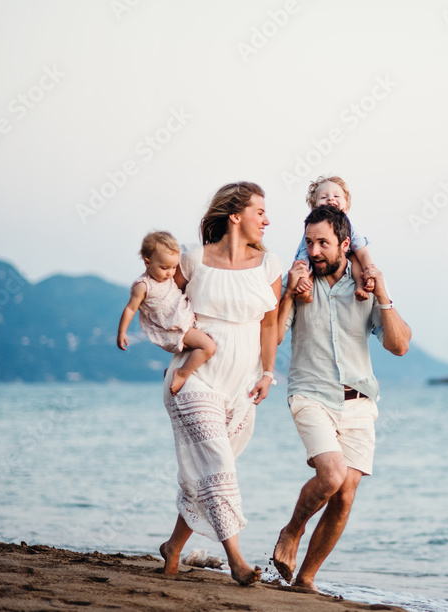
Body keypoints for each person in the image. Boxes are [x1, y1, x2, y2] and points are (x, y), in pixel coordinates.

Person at [271, 205, 411, 591]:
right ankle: (291, 531)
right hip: (310, 395)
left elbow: (399, 346)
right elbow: (276, 337)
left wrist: (382, 293)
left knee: (345, 496)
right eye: (309, 243)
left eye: (323, 243)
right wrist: (287, 292)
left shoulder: (365, 287)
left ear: (345, 245)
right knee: (331, 476)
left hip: (360, 403)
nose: (314, 251)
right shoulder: (301, 286)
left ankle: (306, 579)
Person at [157, 182, 281, 586]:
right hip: (192, 379)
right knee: (219, 465)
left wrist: (267, 374)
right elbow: (164, 307)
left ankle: (173, 546)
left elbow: (269, 326)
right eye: (259, 211)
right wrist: (178, 344)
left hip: (242, 386)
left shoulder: (268, 266)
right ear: (235, 216)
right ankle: (237, 561)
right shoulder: (192, 261)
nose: (266, 219)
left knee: (206, 472)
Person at [116, 231, 217, 395]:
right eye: (164, 268)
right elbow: (130, 308)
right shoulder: (143, 286)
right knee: (208, 347)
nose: (170, 272)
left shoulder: (168, 277)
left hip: (186, 319)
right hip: (176, 328)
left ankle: (171, 370)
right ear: (147, 262)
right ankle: (181, 373)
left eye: (174, 267)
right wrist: (122, 332)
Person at [293, 176, 376, 303]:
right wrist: (303, 276)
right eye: (323, 197)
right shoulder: (311, 231)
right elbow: (303, 254)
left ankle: (360, 285)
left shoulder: (350, 228)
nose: (330, 198)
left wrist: (370, 270)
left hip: (344, 257)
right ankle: (306, 290)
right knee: (308, 260)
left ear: (346, 207)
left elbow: (362, 251)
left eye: (336, 196)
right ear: (315, 209)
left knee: (355, 258)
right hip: (321, 262)